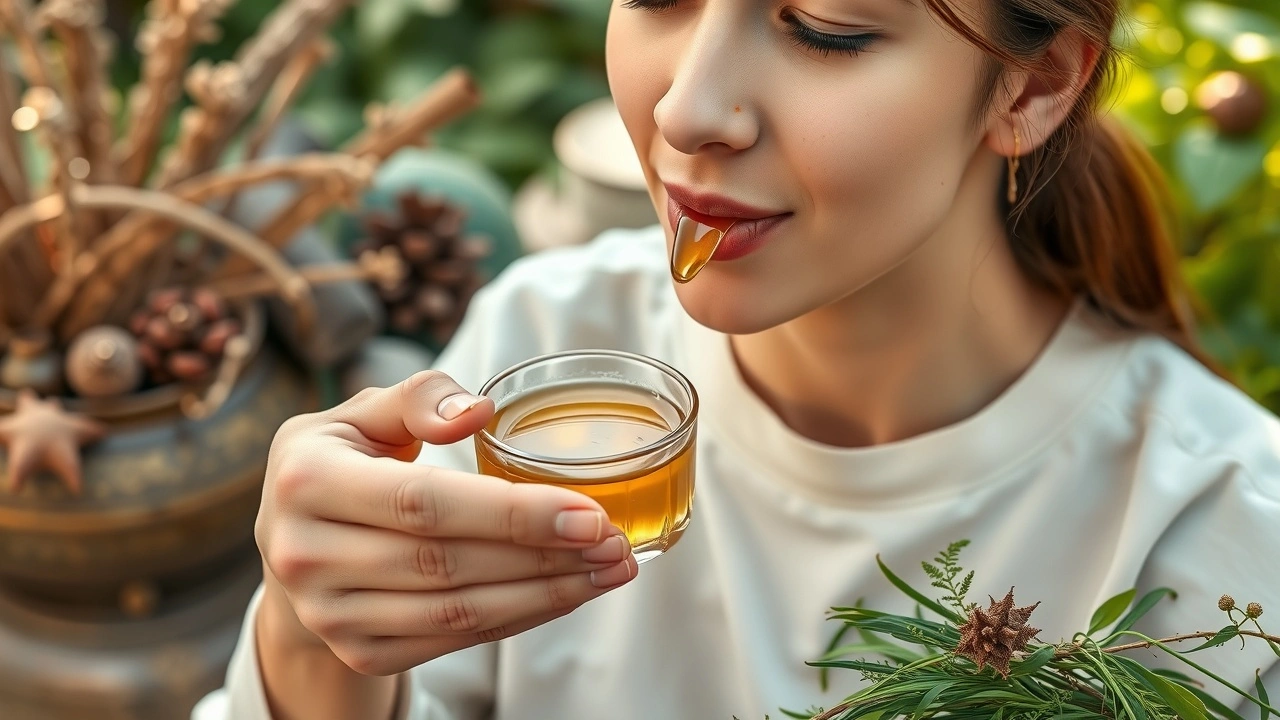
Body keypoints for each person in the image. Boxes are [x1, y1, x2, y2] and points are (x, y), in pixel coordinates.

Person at [195, 0, 1280, 717]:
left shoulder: (1210, 540)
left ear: (1030, 86)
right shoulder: (547, 344)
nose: (685, 108)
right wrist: (309, 647)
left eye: (822, 27)